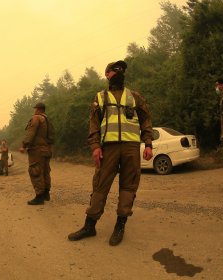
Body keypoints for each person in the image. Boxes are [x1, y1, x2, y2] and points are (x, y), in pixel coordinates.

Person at [68, 60, 153, 246]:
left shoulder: (135, 97)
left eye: (121, 70)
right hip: (108, 149)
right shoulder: (100, 97)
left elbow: (146, 120)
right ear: (107, 74)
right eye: (115, 70)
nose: (119, 72)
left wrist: (148, 143)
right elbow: (94, 125)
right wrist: (95, 147)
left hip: (131, 148)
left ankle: (120, 226)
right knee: (100, 186)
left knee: (128, 187)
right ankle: (89, 226)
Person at [19, 102, 53, 205]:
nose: (34, 111)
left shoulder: (36, 118)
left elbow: (31, 133)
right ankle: (46, 193)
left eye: (35, 109)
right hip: (47, 149)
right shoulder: (47, 120)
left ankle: (39, 197)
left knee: (35, 171)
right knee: (45, 171)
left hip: (37, 150)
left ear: (38, 109)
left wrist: (24, 145)